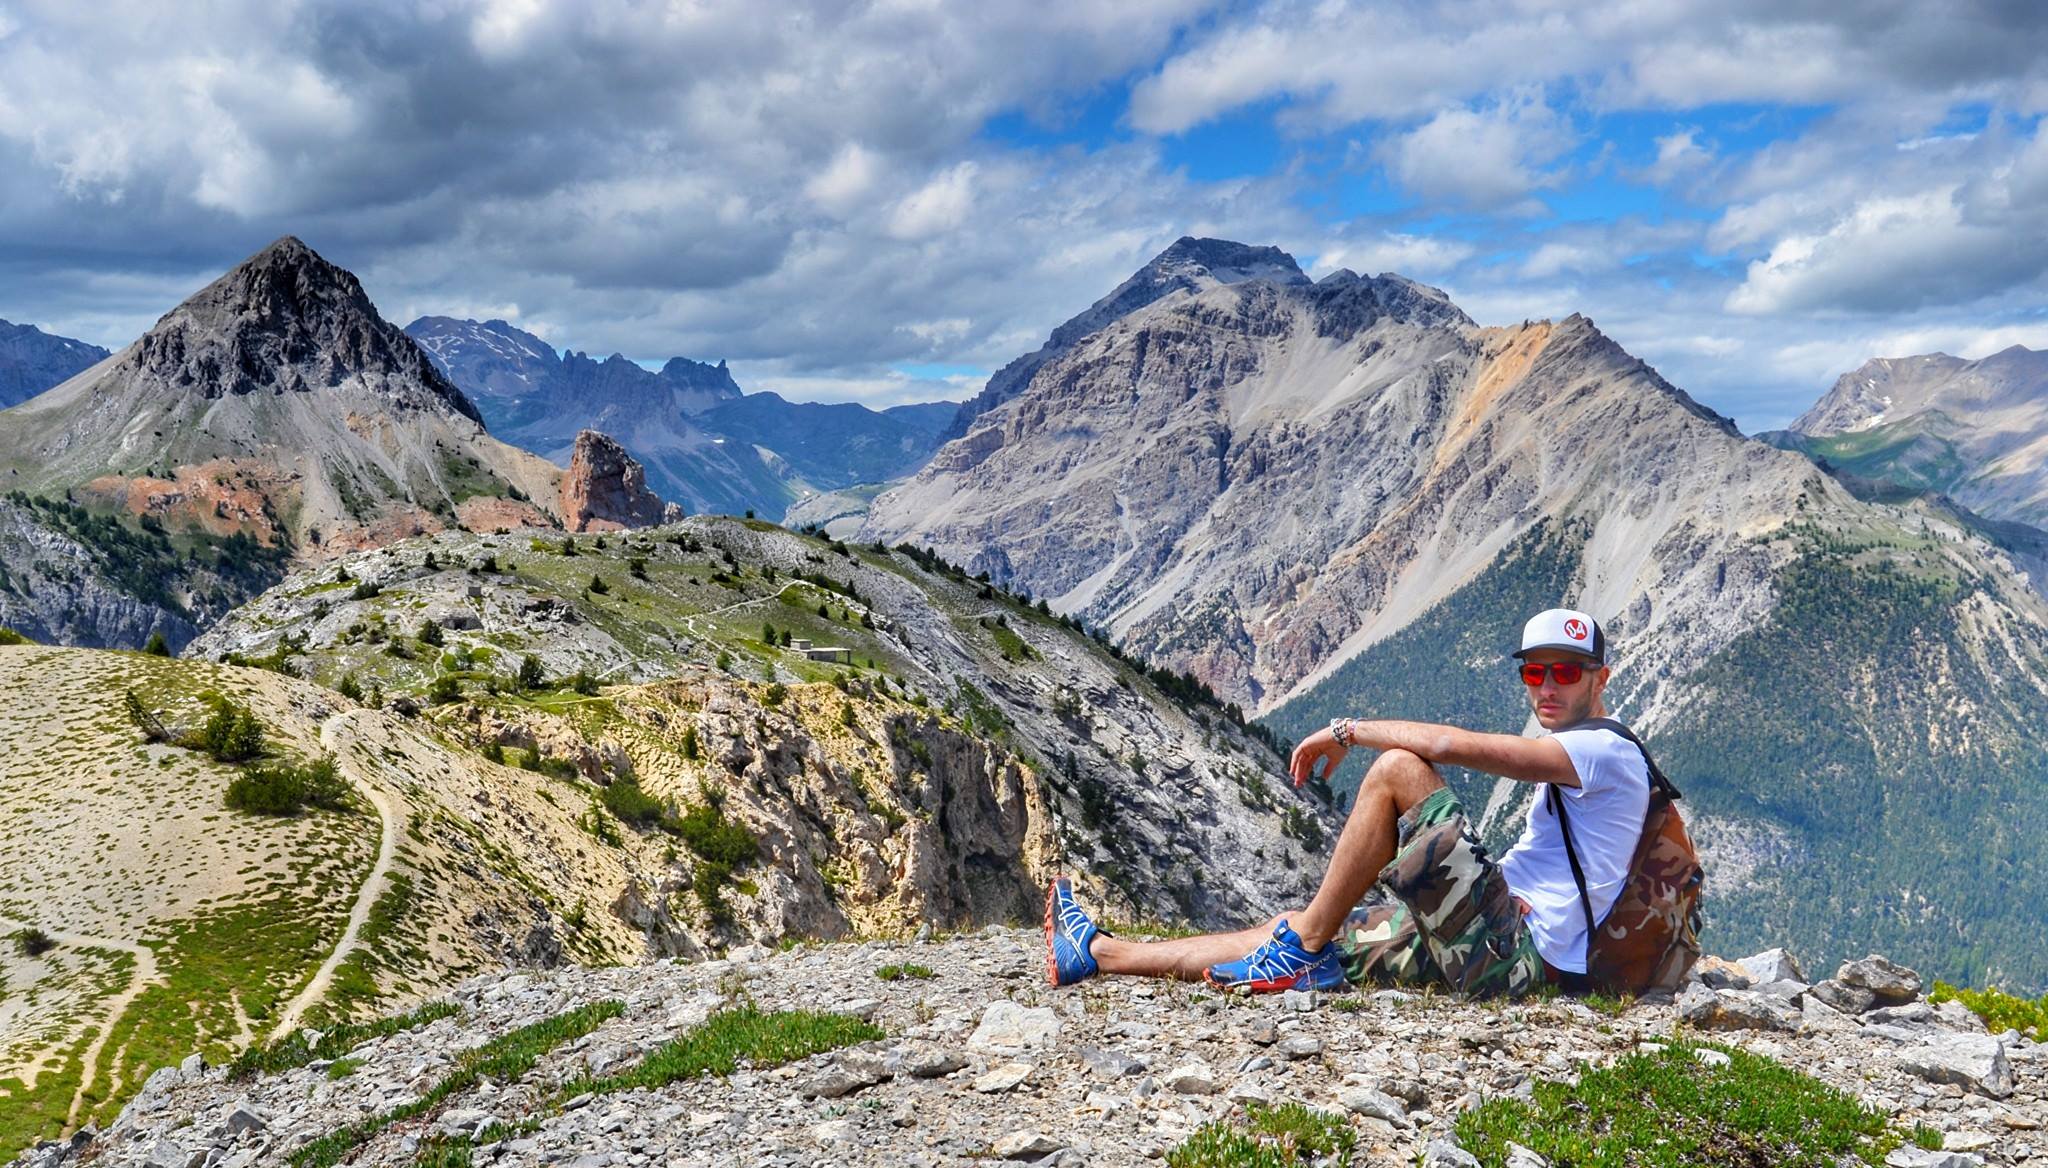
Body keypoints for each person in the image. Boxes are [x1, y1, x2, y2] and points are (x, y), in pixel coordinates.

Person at [1045, 607, 1650, 997]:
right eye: (1535, 672)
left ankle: (1302, 954)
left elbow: (1445, 745)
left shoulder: (1604, 750)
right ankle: (1099, 953)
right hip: (1496, 938)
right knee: (1305, 929)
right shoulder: (1585, 746)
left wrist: (1347, 731)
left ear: (1602, 678)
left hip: (1516, 954)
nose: (1547, 685)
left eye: (1567, 674)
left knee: (1397, 770)